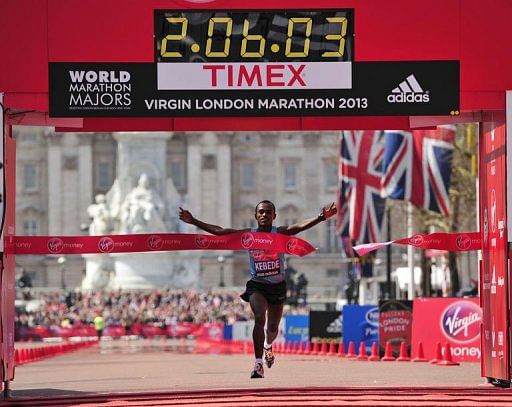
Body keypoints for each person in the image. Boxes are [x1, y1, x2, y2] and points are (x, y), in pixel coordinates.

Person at [179, 200, 336, 379]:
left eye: (268, 212)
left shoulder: (280, 232)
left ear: (274, 216)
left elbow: (298, 227)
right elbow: (221, 232)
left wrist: (321, 217)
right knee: (259, 318)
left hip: (278, 287)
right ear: (255, 216)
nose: (264, 215)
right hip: (257, 285)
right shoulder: (249, 235)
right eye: (261, 212)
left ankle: (268, 346)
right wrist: (194, 221)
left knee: (272, 328)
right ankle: (258, 363)